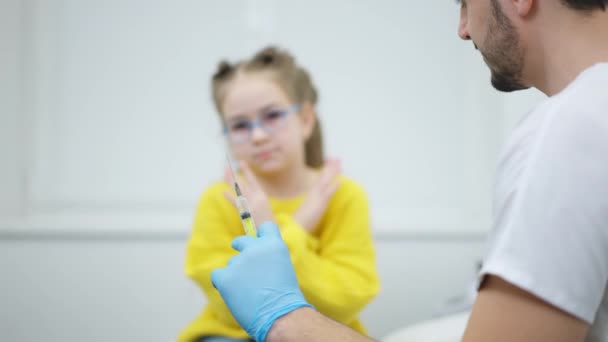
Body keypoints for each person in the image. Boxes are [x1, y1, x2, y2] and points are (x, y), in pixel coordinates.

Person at [210, 1, 608, 341]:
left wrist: (282, 317)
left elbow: (352, 291)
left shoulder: (570, 129)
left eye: (465, 2)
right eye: (240, 124)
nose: (463, 29)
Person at [178, 46, 380, 342]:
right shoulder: (218, 199)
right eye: (240, 125)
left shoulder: (343, 195)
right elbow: (228, 302)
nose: (258, 135)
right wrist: (296, 226)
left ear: (306, 120)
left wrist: (277, 237)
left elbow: (347, 298)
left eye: (272, 115)